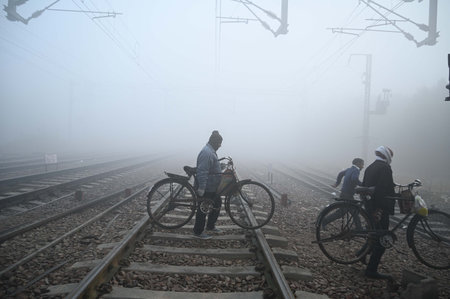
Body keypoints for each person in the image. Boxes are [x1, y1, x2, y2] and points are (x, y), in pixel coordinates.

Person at [362, 146, 396, 281]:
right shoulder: (385, 168)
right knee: (382, 239)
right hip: (379, 208)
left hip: (370, 206)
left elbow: (367, 185)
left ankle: (361, 254)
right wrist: (380, 209)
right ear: (387, 156)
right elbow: (382, 189)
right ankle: (371, 270)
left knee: (374, 234)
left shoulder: (371, 166)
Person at [193, 130, 223, 239]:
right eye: (219, 143)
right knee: (203, 208)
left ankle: (210, 226)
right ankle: (198, 232)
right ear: (214, 142)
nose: (220, 145)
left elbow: (211, 166)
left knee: (217, 203)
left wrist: (220, 166)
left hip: (212, 186)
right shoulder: (207, 152)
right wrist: (201, 188)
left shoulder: (211, 150)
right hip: (206, 186)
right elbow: (202, 171)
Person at [322, 158, 364, 229]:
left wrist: (337, 183)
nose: (363, 166)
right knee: (346, 212)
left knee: (351, 211)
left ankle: (359, 227)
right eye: (362, 164)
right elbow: (354, 179)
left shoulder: (349, 169)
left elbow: (340, 174)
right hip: (348, 195)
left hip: (345, 193)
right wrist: (362, 184)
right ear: (358, 163)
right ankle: (325, 220)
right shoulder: (356, 170)